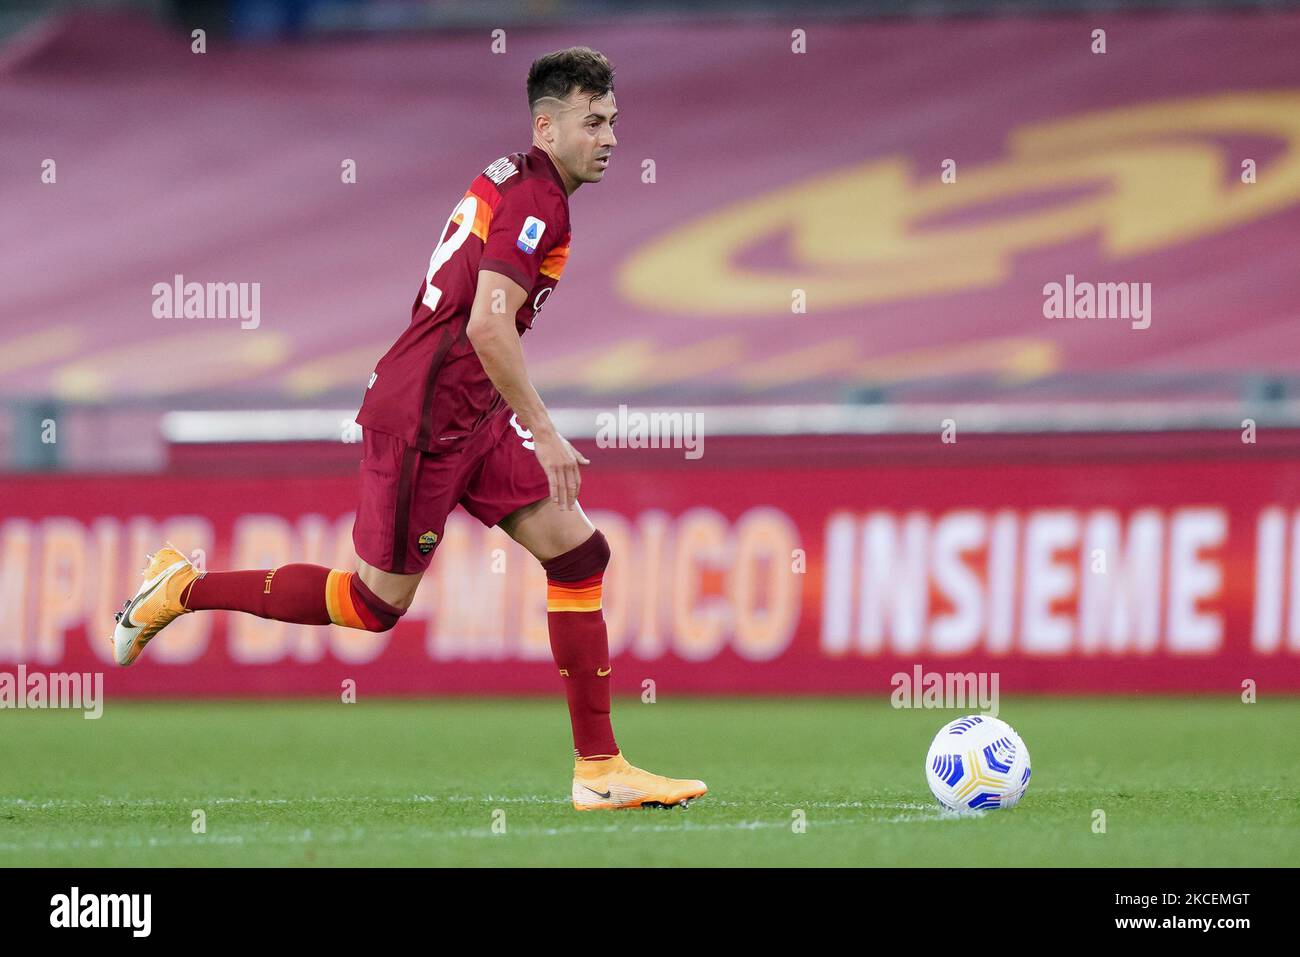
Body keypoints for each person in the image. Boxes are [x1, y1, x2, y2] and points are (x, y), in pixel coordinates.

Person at [111, 47, 706, 811]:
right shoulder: (538, 202)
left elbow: (477, 321)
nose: (611, 137)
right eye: (594, 122)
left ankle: (600, 769)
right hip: (426, 417)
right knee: (371, 606)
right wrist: (547, 431)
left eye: (615, 121)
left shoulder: (512, 178)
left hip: (471, 412)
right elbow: (492, 326)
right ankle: (179, 589)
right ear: (547, 126)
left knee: (580, 552)